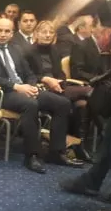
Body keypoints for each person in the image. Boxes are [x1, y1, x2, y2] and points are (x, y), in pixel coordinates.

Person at [0, 18, 81, 173]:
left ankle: (57, 152)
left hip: (22, 90)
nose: (3, 34)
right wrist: (17, 87)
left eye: (7, 31)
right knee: (30, 104)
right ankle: (32, 155)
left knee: (62, 103)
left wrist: (32, 86)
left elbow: (29, 73)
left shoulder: (16, 49)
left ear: (12, 33)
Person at [25, 20, 93, 161]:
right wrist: (46, 80)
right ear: (36, 34)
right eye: (44, 32)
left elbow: (60, 73)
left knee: (81, 105)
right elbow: (27, 75)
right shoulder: (28, 52)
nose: (48, 35)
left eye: (51, 32)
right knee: (89, 92)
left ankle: (77, 145)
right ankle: (65, 149)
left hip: (58, 87)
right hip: (41, 88)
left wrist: (60, 82)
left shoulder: (54, 50)